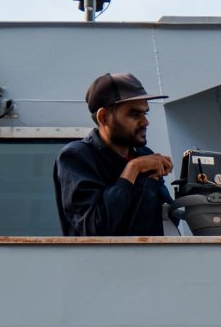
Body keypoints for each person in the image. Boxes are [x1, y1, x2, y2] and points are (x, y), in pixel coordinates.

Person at [53, 72, 174, 236]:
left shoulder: (143, 154)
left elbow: (166, 220)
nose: (145, 122)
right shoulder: (76, 157)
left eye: (145, 113)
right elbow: (94, 230)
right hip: (101, 261)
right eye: (134, 114)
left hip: (151, 259)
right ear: (103, 117)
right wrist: (133, 169)